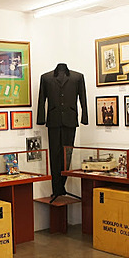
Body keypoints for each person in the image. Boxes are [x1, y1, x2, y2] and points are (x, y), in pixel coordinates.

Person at [37, 63, 88, 200]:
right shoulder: (46, 78)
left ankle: (61, 186)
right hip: (53, 121)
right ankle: (56, 188)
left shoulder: (78, 77)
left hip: (70, 120)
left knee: (67, 154)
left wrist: (84, 117)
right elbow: (41, 100)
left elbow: (83, 98)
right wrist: (41, 119)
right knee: (54, 154)